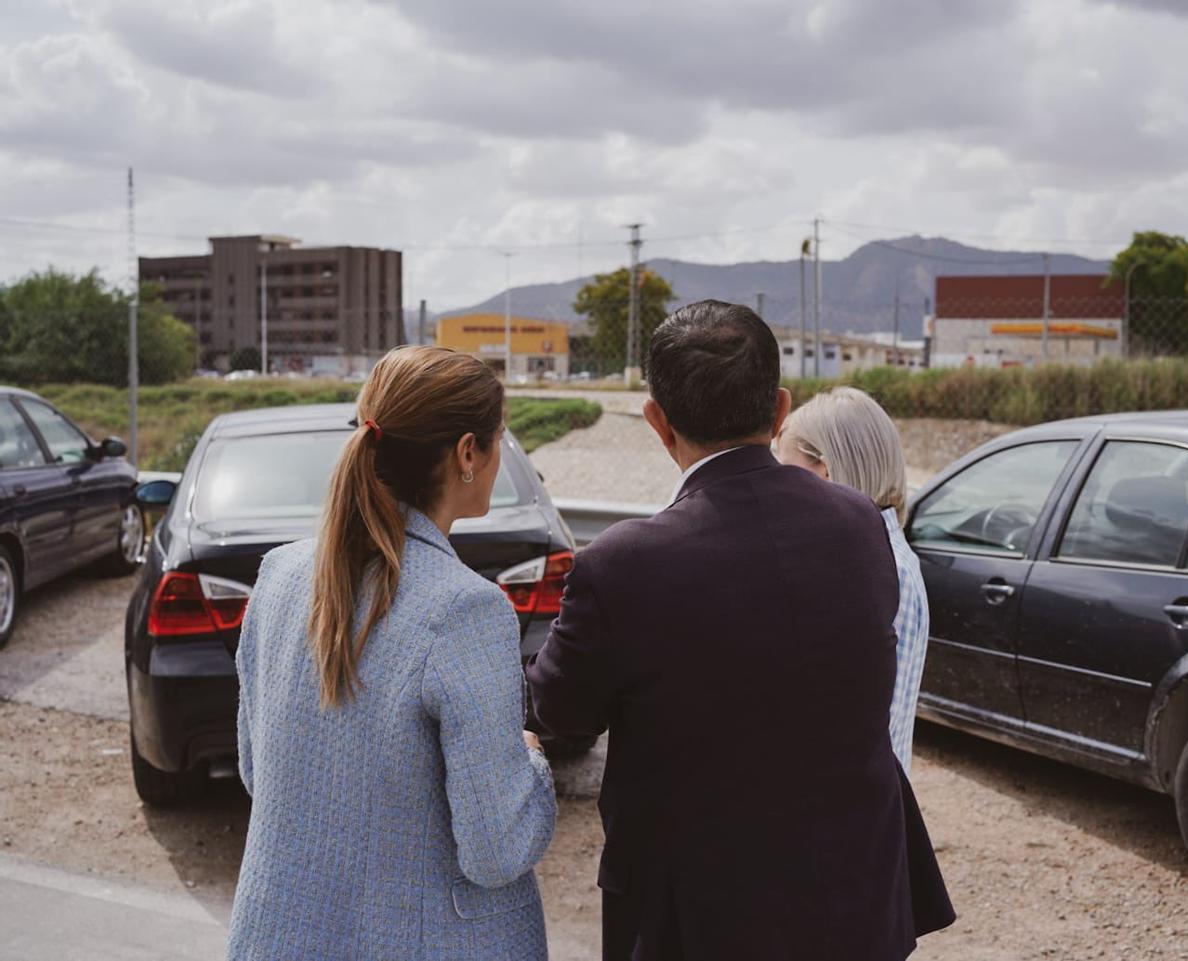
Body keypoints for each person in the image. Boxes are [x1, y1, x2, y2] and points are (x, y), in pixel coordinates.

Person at [526, 301, 954, 961]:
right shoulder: (859, 524)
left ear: (656, 421)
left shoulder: (623, 564)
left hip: (700, 918)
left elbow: (561, 708)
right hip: (854, 898)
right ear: (781, 409)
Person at [228, 347, 556, 961]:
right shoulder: (467, 610)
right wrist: (530, 761)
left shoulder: (278, 574)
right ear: (467, 453)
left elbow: (259, 772)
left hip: (277, 937)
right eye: (497, 441)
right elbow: (496, 849)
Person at [776, 386, 929, 773]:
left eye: (786, 470)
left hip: (853, 808)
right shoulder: (890, 554)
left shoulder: (864, 568)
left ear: (822, 473)